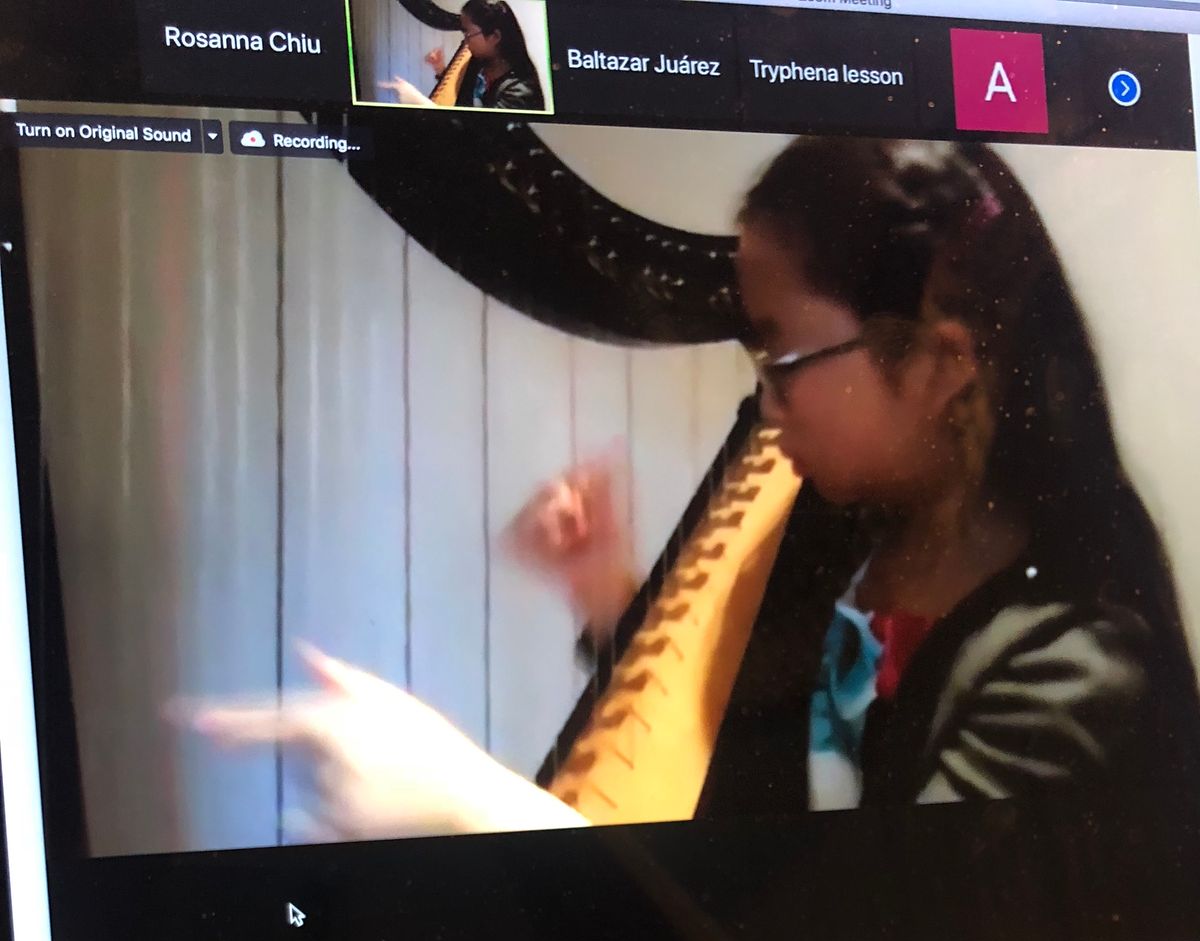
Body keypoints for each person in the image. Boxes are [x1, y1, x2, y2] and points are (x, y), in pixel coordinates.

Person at [189, 138, 1200, 835]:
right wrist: (607, 593)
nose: (766, 405)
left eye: (782, 358)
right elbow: (769, 747)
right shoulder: (874, 523)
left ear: (940, 366)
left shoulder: (1074, 673)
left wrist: (468, 808)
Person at [381, 0, 546, 112]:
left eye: (468, 33)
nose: (465, 41)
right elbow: (464, 90)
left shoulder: (520, 93)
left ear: (495, 37)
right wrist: (441, 70)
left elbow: (480, 137)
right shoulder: (480, 63)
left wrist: (420, 103)